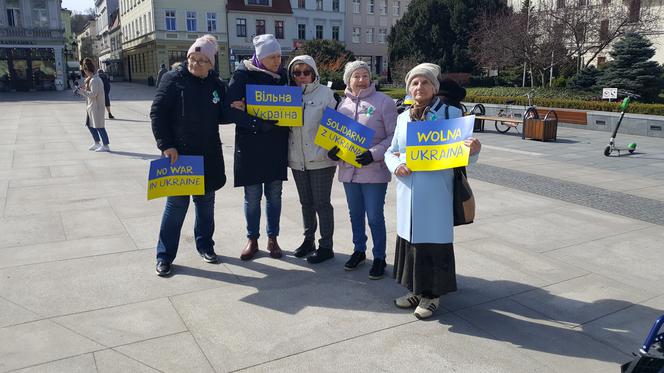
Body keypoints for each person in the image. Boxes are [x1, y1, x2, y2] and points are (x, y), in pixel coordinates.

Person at [384, 63, 481, 319]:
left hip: (436, 190)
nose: (419, 87)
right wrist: (396, 165)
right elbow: (390, 151)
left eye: (425, 82)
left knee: (433, 244)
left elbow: (463, 156)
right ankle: (416, 289)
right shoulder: (403, 117)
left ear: (434, 87)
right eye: (414, 83)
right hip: (409, 190)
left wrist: (473, 150)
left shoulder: (450, 113)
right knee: (411, 242)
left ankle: (432, 295)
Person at [150, 35, 231, 276]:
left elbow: (222, 115)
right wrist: (166, 145)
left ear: (211, 64)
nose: (195, 63)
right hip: (180, 156)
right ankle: (164, 255)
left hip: (208, 155)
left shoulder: (216, 84)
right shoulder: (173, 79)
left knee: (206, 205)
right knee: (176, 206)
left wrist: (235, 108)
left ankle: (205, 246)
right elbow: (157, 112)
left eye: (202, 60)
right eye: (192, 58)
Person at [327, 61, 397, 276]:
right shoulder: (342, 105)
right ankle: (359, 250)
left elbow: (394, 136)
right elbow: (336, 134)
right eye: (356, 76)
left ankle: (379, 257)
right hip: (349, 170)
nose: (361, 80)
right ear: (348, 79)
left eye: (364, 75)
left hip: (373, 170)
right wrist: (333, 150)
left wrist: (373, 154)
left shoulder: (384, 102)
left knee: (375, 216)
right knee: (355, 214)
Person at [224, 34, 289, 261]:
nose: (277, 61)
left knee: (274, 195)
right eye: (272, 57)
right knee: (252, 196)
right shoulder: (242, 74)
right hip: (250, 144)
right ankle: (252, 238)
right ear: (261, 57)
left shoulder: (283, 76)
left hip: (275, 145)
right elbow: (230, 110)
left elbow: (291, 105)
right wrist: (256, 122)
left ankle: (273, 238)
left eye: (280, 56)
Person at [286, 55, 339, 261]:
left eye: (306, 72)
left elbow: (337, 126)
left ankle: (326, 245)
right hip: (298, 159)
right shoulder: (288, 95)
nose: (301, 76)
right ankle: (308, 240)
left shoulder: (327, 94)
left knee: (321, 203)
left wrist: (335, 147)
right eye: (297, 73)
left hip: (320, 159)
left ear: (314, 73)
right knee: (305, 203)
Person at [76, 58, 110, 152]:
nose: (84, 73)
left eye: (84, 71)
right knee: (90, 124)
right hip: (91, 107)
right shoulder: (90, 79)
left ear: (87, 70)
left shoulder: (95, 80)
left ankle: (106, 145)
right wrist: (84, 90)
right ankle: (97, 142)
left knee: (99, 126)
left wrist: (83, 92)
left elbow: (93, 94)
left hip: (97, 107)